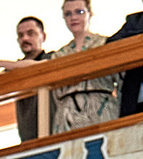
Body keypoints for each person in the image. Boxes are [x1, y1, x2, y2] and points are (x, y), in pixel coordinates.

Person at [44, 0, 115, 131]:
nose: (74, 17)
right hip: (66, 115)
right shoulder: (60, 54)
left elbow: (121, 80)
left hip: (101, 108)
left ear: (90, 13)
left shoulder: (105, 43)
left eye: (79, 12)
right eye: (68, 14)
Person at [0, 15, 50, 141]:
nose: (24, 38)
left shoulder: (51, 58)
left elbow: (38, 67)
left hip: (54, 136)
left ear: (43, 36)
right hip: (28, 141)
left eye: (30, 33)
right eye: (20, 35)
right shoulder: (12, 70)